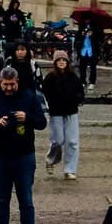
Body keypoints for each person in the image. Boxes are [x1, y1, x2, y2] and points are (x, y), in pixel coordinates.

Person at [0, 65, 47, 224]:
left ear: (17, 82)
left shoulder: (29, 97)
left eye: (12, 84)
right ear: (0, 82)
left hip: (24, 157)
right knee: (2, 201)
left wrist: (27, 117)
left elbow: (42, 123)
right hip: (0, 157)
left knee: (26, 201)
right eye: (5, 85)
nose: (9, 88)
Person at [41, 50, 83, 181]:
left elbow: (80, 92)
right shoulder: (50, 78)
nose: (61, 62)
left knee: (72, 142)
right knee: (58, 140)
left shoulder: (73, 77)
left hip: (71, 112)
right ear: (55, 62)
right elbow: (46, 93)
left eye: (64, 60)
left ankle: (70, 169)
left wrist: (77, 100)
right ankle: (51, 159)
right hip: (56, 112)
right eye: (59, 60)